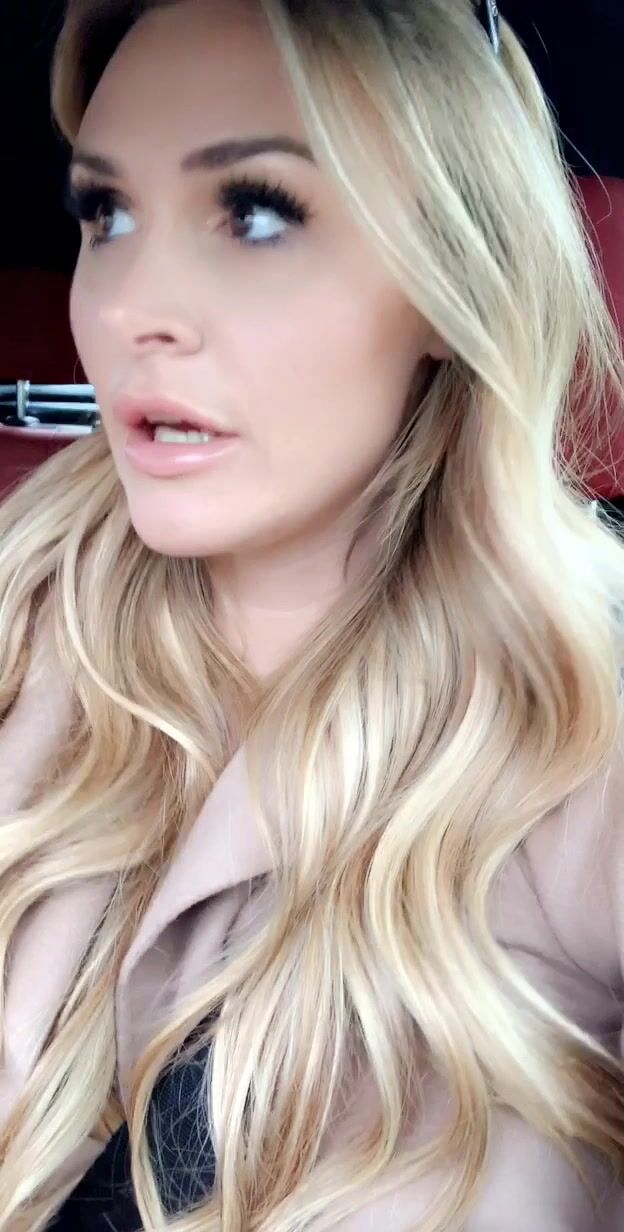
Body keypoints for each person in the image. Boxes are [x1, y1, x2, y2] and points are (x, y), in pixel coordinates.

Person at [0, 0, 623, 1228]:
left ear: (449, 277)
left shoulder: (581, 716)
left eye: (254, 214)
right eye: (106, 214)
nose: (126, 308)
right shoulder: (29, 607)